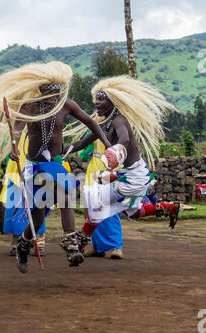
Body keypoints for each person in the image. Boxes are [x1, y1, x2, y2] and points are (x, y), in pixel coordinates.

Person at [0, 61, 111, 273]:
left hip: (55, 163)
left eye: (57, 94)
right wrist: (14, 146)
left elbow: (91, 123)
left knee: (65, 197)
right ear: (41, 90)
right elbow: (17, 128)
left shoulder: (67, 105)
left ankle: (71, 247)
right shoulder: (29, 107)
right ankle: (24, 246)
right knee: (38, 213)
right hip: (34, 165)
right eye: (50, 94)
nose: (54, 98)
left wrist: (108, 145)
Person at [62, 75, 180, 249]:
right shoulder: (104, 124)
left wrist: (116, 150)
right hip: (128, 174)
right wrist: (59, 149)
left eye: (101, 99)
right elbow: (81, 144)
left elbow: (124, 138)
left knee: (97, 199)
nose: (96, 103)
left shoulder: (119, 119)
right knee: (131, 211)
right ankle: (168, 207)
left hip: (135, 176)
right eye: (96, 99)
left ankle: (81, 241)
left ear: (113, 102)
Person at [0, 130, 46, 256]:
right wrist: (11, 151)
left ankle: (40, 243)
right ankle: (15, 243)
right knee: (16, 208)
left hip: (36, 171)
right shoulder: (13, 130)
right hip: (16, 171)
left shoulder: (42, 125)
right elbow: (6, 147)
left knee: (37, 208)